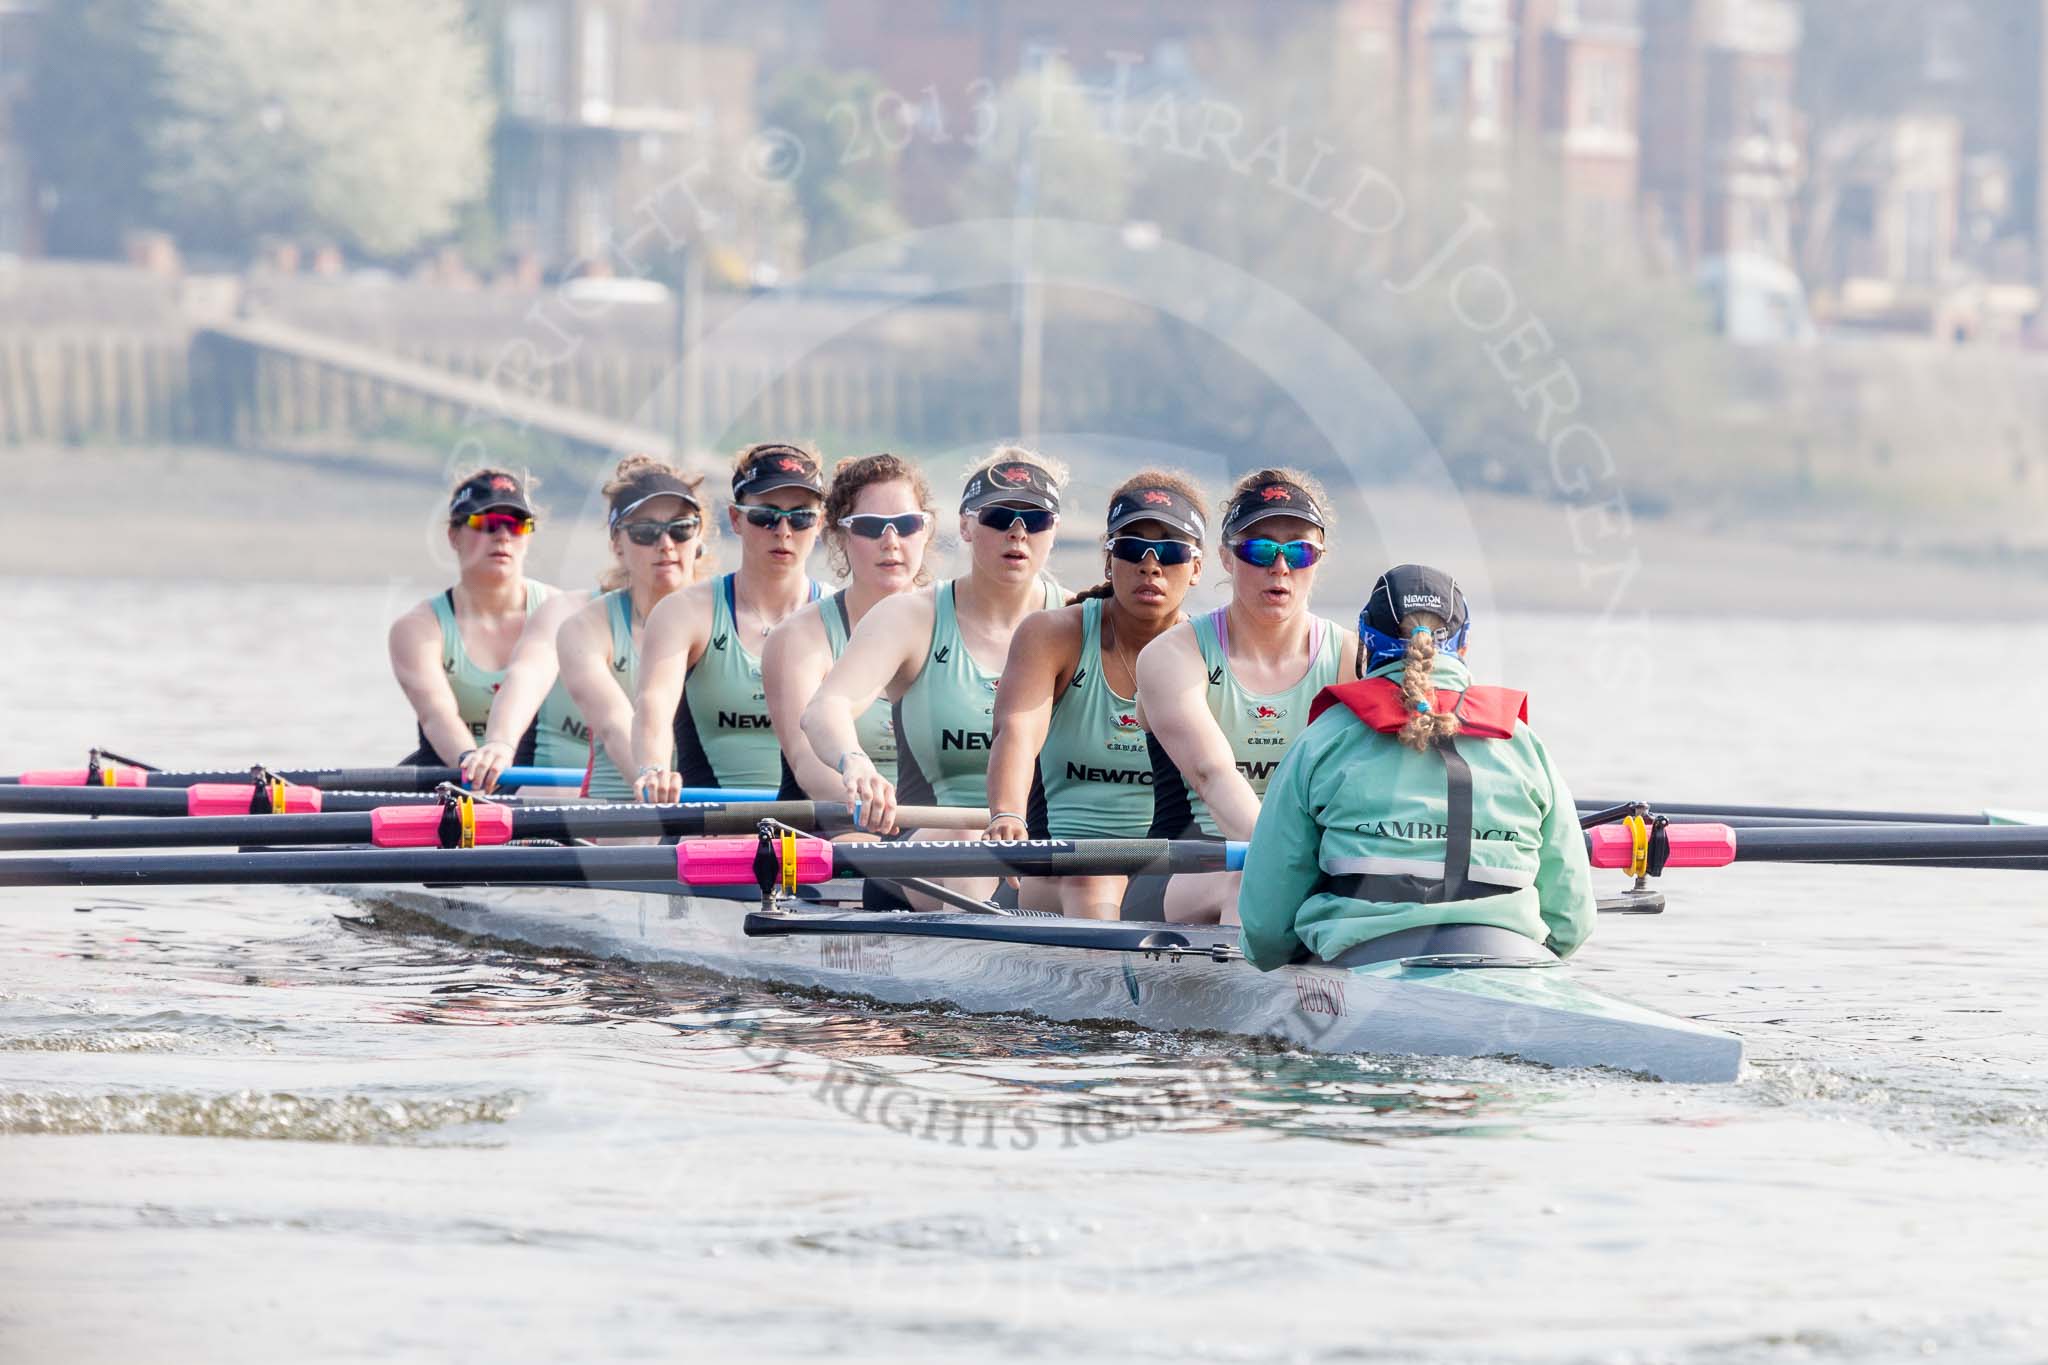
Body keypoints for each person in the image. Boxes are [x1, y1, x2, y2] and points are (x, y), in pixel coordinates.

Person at [1236, 564, 1596, 969]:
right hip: (1512, 962)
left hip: (1362, 962)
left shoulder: (1323, 739)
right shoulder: (1525, 744)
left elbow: (1266, 929)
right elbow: (1571, 921)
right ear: (1464, 644)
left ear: (1366, 642)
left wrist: (1279, 967)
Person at [802, 446, 1066, 907]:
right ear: (965, 526)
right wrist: (855, 762)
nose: (1018, 533)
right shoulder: (910, 617)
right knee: (966, 835)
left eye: (1036, 520)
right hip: (924, 857)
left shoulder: (1079, 619)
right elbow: (827, 708)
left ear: (1054, 531)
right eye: (1000, 516)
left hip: (1041, 855)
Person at [1130, 468, 1359, 924]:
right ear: (1227, 558)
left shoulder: (1351, 657)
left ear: (1318, 559)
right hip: (1190, 861)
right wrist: (1290, 871)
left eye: (1299, 550)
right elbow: (1211, 774)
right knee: (1250, 888)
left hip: (1308, 865)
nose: (1280, 566)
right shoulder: (1174, 655)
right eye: (1260, 549)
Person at [982, 472, 1208, 918]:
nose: (1150, 564)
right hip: (1058, 865)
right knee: (1096, 878)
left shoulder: (1209, 651)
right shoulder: (1052, 635)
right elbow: (1017, 732)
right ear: (1108, 561)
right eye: (1131, 547)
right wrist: (1006, 814)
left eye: (1171, 550)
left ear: (1196, 568)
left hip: (1165, 873)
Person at [459, 455, 709, 795]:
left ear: (699, 536)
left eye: (680, 529)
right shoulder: (571, 616)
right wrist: (500, 744)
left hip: (701, 813)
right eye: (645, 532)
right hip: (601, 809)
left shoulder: (730, 615)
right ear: (616, 543)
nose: (665, 544)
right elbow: (531, 678)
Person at [632, 443, 824, 799]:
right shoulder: (685, 612)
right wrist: (654, 767)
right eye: (765, 515)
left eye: (801, 517)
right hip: (710, 830)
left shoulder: (843, 617)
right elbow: (652, 704)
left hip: (814, 833)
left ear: (820, 523)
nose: (783, 531)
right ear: (736, 519)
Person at [763, 453, 935, 801]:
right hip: (843, 824)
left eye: (906, 525)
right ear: (840, 536)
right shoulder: (798, 638)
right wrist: (874, 807)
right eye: (870, 526)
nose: (891, 541)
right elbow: (807, 763)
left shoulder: (959, 617)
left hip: (945, 831)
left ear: (925, 530)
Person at [388, 469, 574, 768]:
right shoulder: (417, 629)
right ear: (453, 536)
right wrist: (474, 766)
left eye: (517, 525)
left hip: (546, 783)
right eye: (487, 523)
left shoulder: (563, 612)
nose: (503, 536)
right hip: (457, 777)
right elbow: (437, 715)